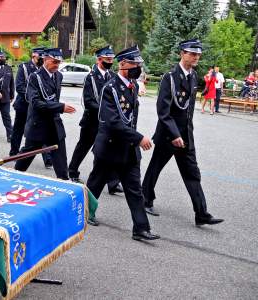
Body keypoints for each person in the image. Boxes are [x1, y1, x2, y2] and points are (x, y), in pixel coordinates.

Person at [142, 39, 224, 227]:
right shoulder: (170, 77)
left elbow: (189, 110)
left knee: (192, 173)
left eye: (198, 54)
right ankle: (145, 199)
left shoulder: (193, 76)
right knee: (156, 167)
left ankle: (201, 213)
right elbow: (163, 111)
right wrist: (175, 134)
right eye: (192, 53)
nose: (196, 57)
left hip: (186, 135)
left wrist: (186, 133)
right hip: (168, 135)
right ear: (182, 54)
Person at [85, 45, 159, 241]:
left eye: (139, 64)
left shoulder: (132, 86)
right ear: (123, 64)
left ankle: (141, 228)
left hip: (128, 149)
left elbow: (129, 118)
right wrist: (138, 138)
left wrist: (133, 141)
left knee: (134, 189)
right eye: (135, 64)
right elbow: (112, 122)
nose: (138, 68)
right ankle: (83, 214)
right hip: (109, 147)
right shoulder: (110, 89)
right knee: (95, 184)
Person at [68, 45, 123, 194]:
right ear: (99, 59)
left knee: (107, 151)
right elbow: (88, 101)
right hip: (92, 120)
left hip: (107, 122)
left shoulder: (112, 76)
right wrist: (105, 110)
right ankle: (72, 171)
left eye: (112, 59)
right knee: (83, 147)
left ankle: (112, 183)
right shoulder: (91, 77)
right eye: (107, 59)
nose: (110, 62)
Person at [15, 48, 76, 180]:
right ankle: (12, 176)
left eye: (59, 63)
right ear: (46, 59)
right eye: (54, 62)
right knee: (26, 157)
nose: (57, 65)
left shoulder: (59, 76)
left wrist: (58, 108)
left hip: (54, 123)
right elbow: (36, 103)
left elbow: (54, 98)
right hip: (38, 123)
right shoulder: (34, 77)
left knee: (60, 160)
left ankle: (64, 182)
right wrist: (60, 107)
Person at [10, 47, 52, 168]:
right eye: (40, 57)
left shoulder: (44, 69)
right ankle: (14, 153)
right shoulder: (24, 67)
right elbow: (19, 86)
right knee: (18, 130)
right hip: (24, 105)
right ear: (34, 55)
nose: (42, 59)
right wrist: (33, 98)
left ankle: (47, 158)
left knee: (43, 131)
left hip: (38, 108)